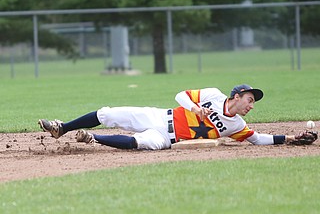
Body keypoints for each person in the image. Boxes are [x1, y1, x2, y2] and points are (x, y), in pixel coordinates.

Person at [38, 84, 299, 150]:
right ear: (238, 95)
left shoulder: (237, 125)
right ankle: (63, 128)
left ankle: (92, 137)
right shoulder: (212, 95)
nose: (251, 106)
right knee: (108, 112)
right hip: (160, 117)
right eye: (250, 100)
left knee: (141, 144)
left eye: (252, 103)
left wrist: (290, 137)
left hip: (166, 137)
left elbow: (258, 139)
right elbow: (180, 95)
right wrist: (196, 108)